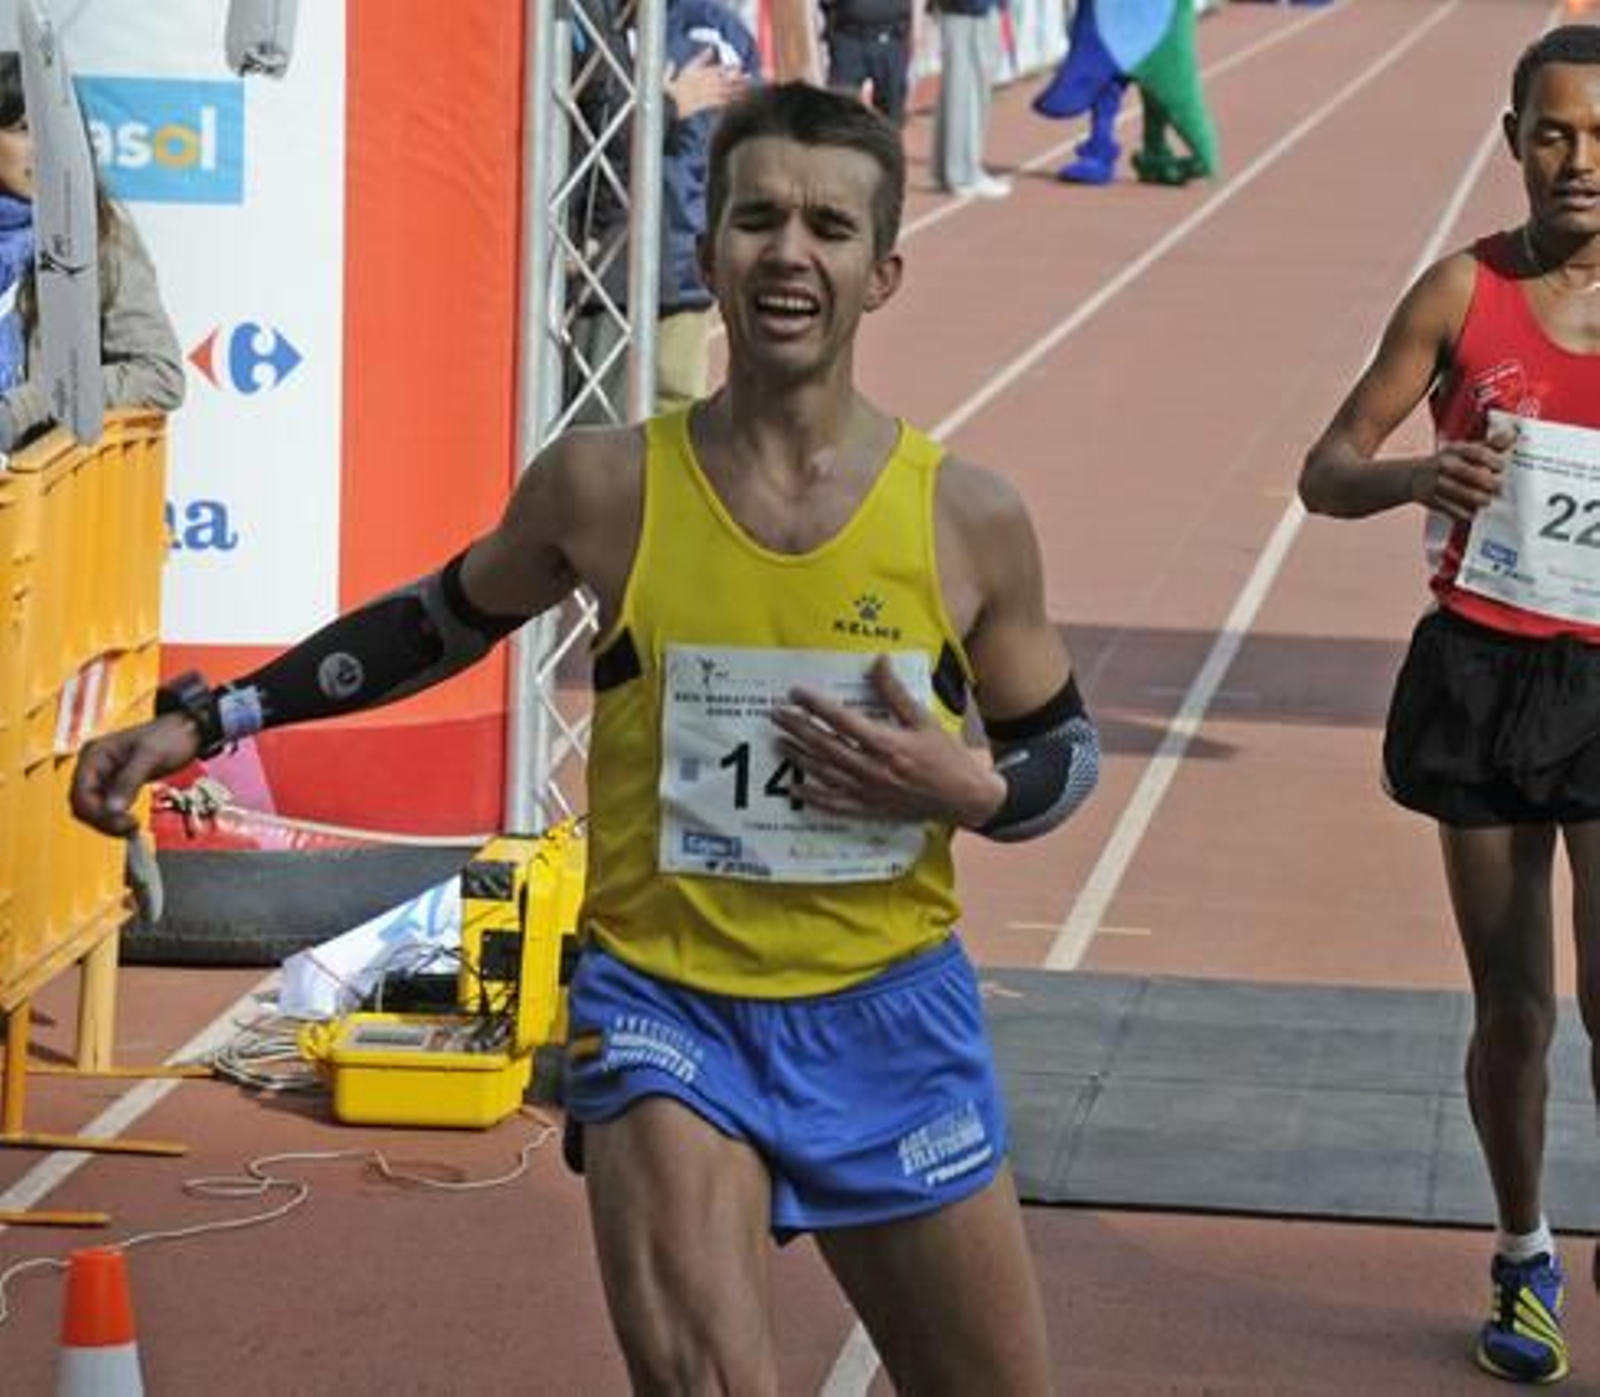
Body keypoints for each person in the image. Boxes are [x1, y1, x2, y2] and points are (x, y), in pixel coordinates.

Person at [71, 83, 1099, 1393]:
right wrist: (210, 718)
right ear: (711, 253)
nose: (790, 250)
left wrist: (975, 785)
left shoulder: (968, 518)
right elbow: (432, 624)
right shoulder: (605, 486)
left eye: (829, 226)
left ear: (880, 272)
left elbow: (1063, 755)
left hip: (886, 1014)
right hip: (666, 1005)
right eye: (757, 218)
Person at [1299, 26, 1600, 1386]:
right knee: (1516, 1007)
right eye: (1553, 132)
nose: (1578, 161)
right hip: (1481, 672)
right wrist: (1420, 482)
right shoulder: (1458, 296)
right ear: (1514, 139)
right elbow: (1327, 467)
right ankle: (1525, 1252)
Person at [569, 0, 757, 422]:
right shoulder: (597, 23)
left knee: (672, 403)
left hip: (680, 259)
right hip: (605, 261)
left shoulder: (716, 32)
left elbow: (743, 146)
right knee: (602, 413)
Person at [0, 51, 184, 456]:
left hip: (40, 500)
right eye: (24, 129)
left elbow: (159, 375)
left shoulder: (98, 233)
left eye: (55, 130)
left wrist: (27, 405)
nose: (43, 148)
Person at [929, 0, 1011, 199]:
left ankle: (950, 170)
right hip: (967, 9)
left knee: (960, 90)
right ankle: (964, 174)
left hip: (967, 9)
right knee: (966, 91)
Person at [823, 0, 914, 127]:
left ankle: (886, 145)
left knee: (891, 115)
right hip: (848, 39)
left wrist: (916, 29)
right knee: (839, 110)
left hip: (892, 38)